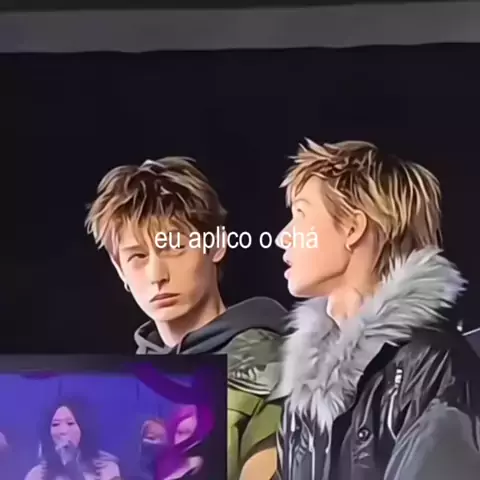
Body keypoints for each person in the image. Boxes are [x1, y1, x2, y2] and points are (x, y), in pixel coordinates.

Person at [273, 140, 480, 479]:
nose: (283, 237)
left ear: (353, 228)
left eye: (300, 214)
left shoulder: (436, 368)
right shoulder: (307, 386)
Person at [85, 157, 287, 480]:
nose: (156, 275)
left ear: (216, 245)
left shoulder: (275, 363)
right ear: (119, 269)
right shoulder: (126, 382)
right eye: (137, 256)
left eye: (175, 246)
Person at [25, 397, 121, 480]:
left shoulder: (107, 469)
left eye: (70, 423)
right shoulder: (37, 474)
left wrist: (73, 469)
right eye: (55, 424)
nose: (63, 431)